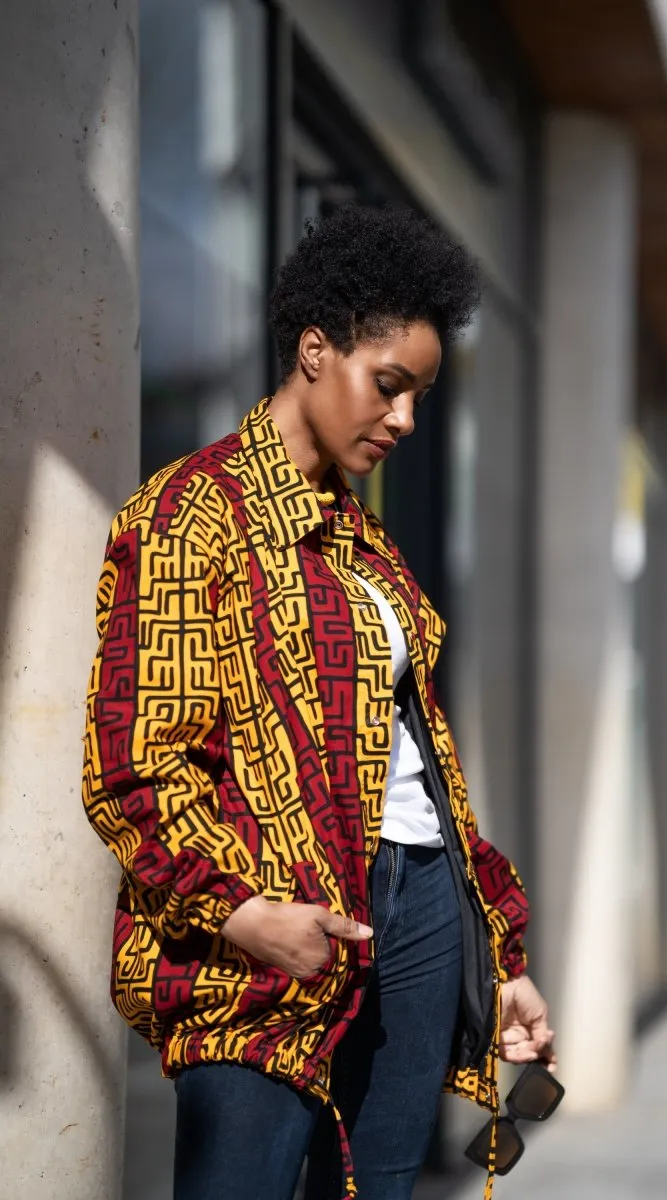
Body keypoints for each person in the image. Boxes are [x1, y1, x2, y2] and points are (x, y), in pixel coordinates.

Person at [82, 205, 556, 1200]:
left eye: (418, 396)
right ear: (312, 350)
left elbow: (426, 768)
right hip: (272, 933)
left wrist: (496, 953)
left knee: (376, 1189)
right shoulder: (188, 512)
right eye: (388, 386)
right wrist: (244, 914)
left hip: (419, 908)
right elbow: (133, 762)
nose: (404, 420)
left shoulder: (368, 547)